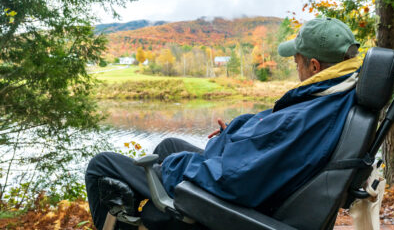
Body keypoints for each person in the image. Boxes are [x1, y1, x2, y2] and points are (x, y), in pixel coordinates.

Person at [85, 17, 361, 229]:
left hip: (238, 205)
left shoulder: (307, 116)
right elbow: (271, 139)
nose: (294, 66)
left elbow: (231, 178)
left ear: (314, 66)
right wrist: (237, 131)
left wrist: (167, 168)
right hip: (257, 182)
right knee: (169, 144)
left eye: (296, 60)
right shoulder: (335, 95)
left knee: (101, 165)